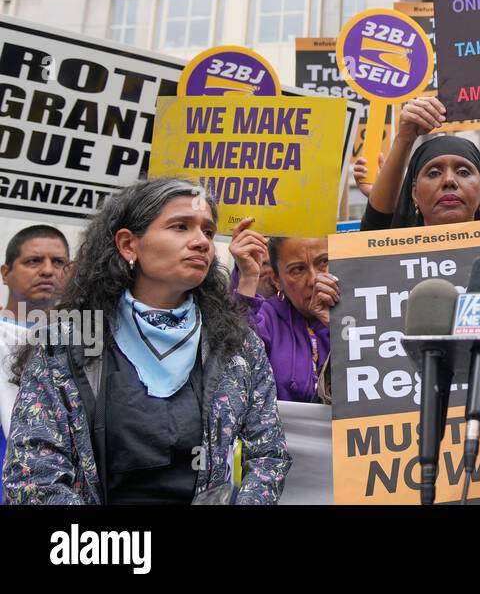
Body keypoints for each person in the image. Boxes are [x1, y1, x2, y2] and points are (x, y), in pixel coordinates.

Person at [3, 178, 289, 504]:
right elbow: (33, 473)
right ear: (128, 244)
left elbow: (269, 454)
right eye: (180, 227)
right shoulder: (67, 342)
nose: (201, 242)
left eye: (208, 232)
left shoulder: (236, 345)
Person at [230, 226, 339, 403]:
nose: (314, 279)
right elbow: (234, 366)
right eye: (297, 270)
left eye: (324, 262)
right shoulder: (265, 318)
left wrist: (337, 326)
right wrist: (247, 277)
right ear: (277, 280)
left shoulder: (363, 314)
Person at [1, 225, 70, 479]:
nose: (48, 270)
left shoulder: (83, 340)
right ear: (5, 273)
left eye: (59, 262)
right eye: (33, 261)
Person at [359, 96, 480, 230]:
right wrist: (405, 138)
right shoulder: (386, 247)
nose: (449, 180)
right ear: (414, 193)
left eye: (463, 172)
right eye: (434, 173)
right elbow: (377, 221)